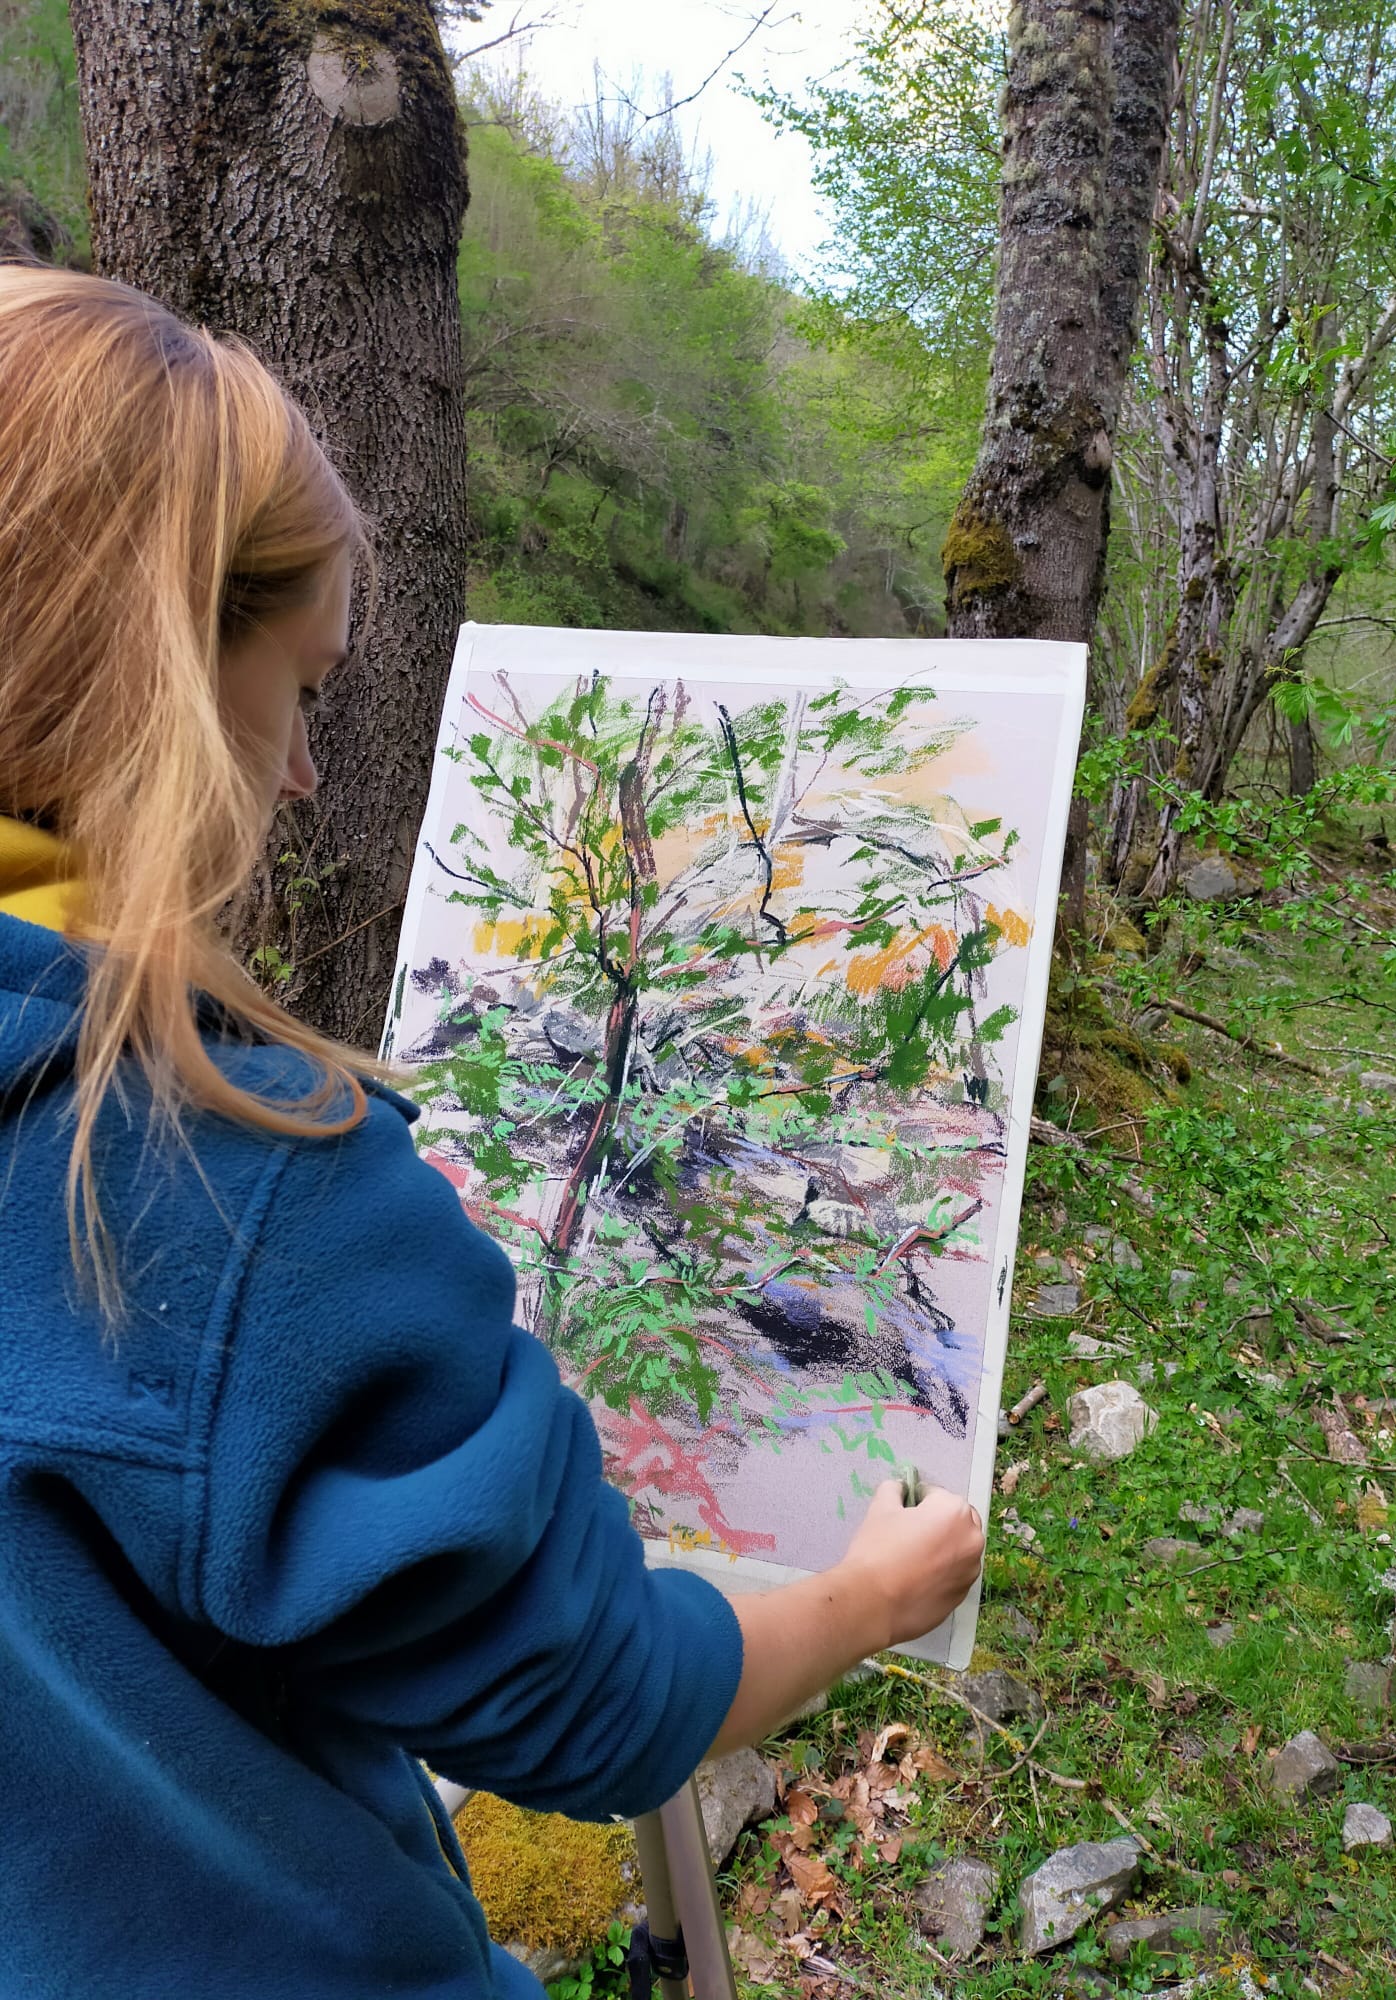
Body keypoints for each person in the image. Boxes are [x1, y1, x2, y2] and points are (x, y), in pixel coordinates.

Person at [0, 265, 986, 2000]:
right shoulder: (215, 1178)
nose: (303, 773)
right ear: (158, 671)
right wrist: (862, 1601)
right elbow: (594, 1701)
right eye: (300, 689)